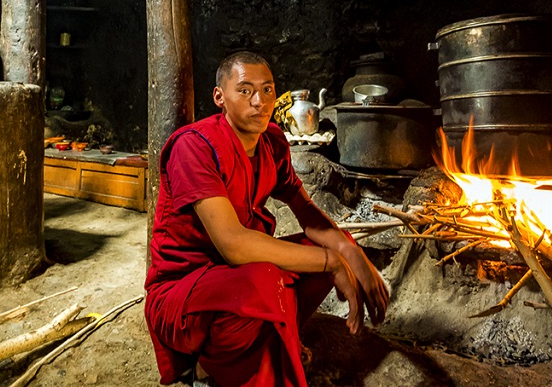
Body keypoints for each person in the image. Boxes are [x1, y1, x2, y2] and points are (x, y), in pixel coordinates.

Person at [144, 50, 389, 387]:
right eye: (245, 90)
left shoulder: (272, 141)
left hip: (237, 276)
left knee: (335, 244)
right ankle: (205, 367)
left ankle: (271, 343)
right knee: (264, 278)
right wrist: (331, 262)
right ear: (220, 97)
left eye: (268, 90)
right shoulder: (195, 146)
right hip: (183, 292)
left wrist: (351, 254)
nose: (259, 101)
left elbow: (307, 214)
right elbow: (234, 246)